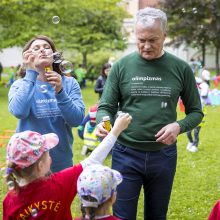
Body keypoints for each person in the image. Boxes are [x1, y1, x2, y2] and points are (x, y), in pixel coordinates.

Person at [96, 7, 203, 220]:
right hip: (126, 153)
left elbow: (196, 112)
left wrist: (178, 126)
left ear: (165, 35)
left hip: (163, 155)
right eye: (141, 40)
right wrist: (104, 122)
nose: (146, 46)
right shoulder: (121, 67)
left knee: (157, 215)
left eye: (153, 40)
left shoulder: (180, 68)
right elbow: (105, 107)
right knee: (122, 216)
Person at [3, 113, 132, 220]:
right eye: (48, 155)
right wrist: (116, 130)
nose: (50, 157)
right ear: (40, 165)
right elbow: (93, 160)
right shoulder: (58, 184)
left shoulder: (9, 201)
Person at [8, 35, 85, 172]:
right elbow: (19, 112)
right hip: (28, 162)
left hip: (61, 161)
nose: (42, 50)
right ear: (28, 56)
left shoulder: (69, 83)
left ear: (54, 55)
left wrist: (60, 91)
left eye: (46, 47)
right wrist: (30, 73)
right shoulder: (20, 85)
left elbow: (77, 120)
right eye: (36, 48)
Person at [186, 76, 209, 152]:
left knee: (196, 132)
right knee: (188, 132)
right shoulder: (191, 93)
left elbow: (202, 107)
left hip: (200, 116)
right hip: (191, 115)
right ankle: (191, 142)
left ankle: (195, 146)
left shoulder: (200, 96)